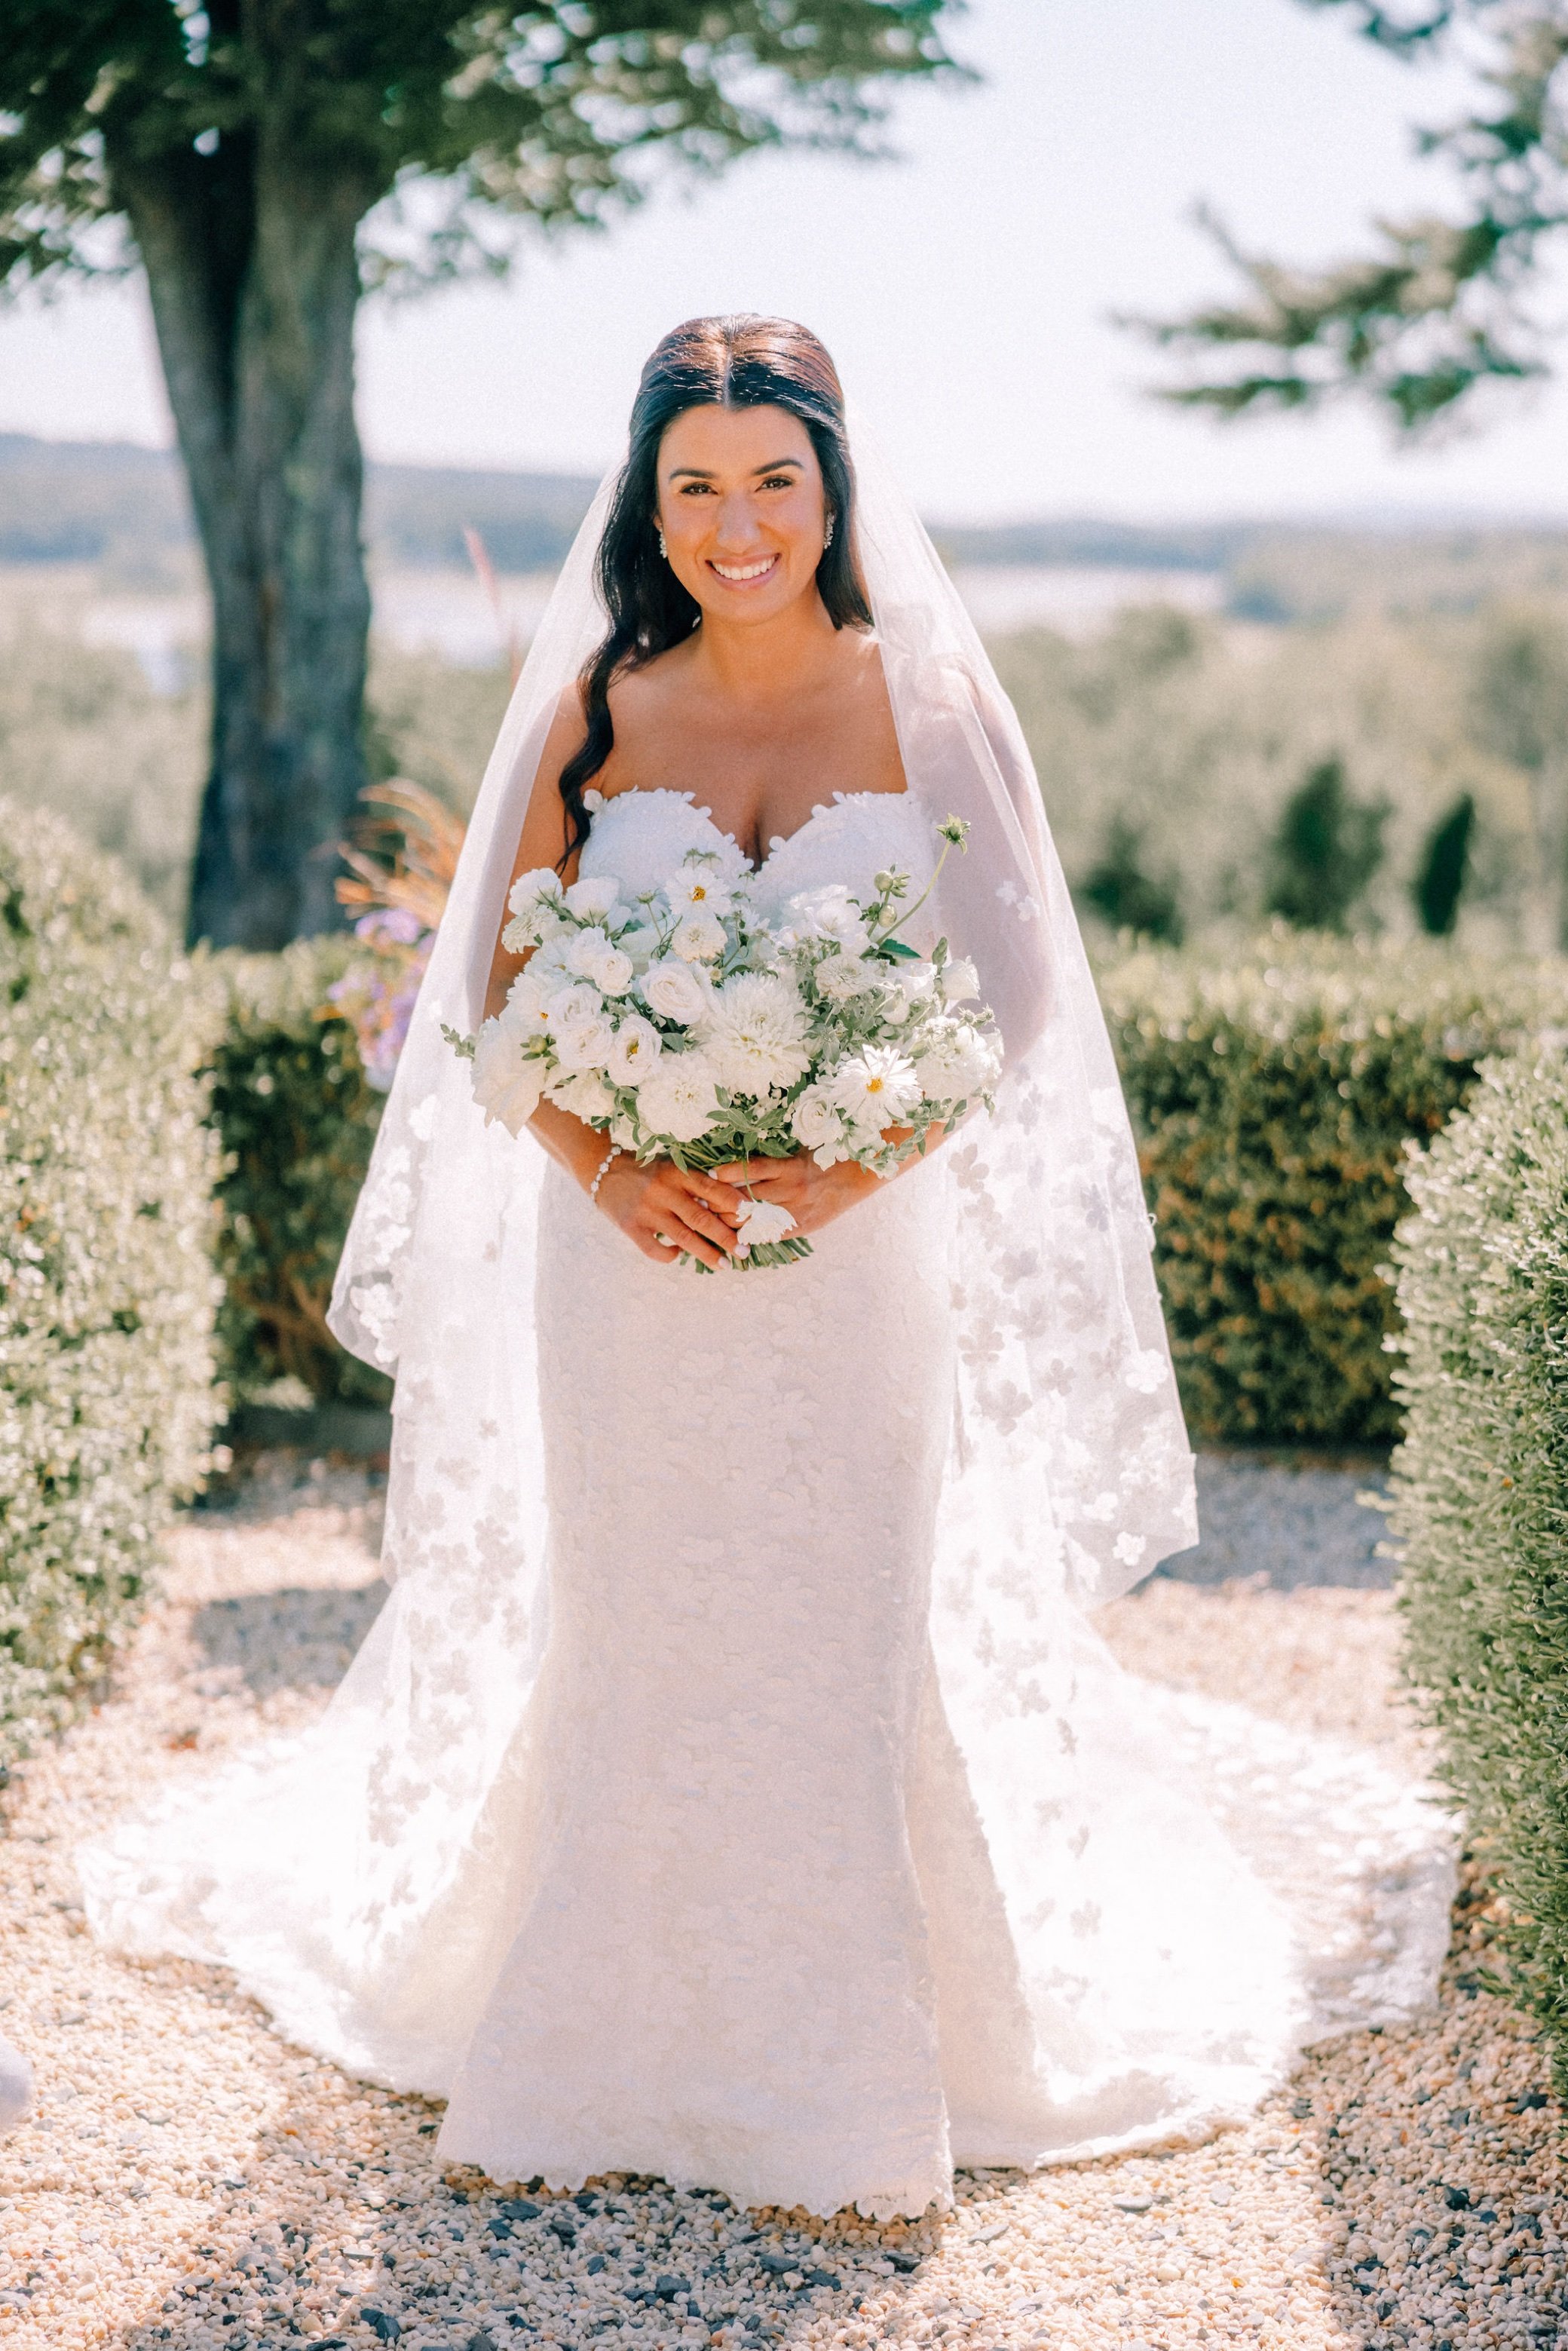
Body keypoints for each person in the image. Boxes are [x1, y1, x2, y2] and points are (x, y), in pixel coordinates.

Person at [79, 317, 1455, 2223]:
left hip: (845, 1274)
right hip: (618, 1272)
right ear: (650, 506)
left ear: (833, 483)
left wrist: (835, 1165)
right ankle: (591, 2039)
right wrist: (608, 1163)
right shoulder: (599, 710)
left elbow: (1013, 998)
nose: (738, 526)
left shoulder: (926, 709)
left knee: (835, 1628)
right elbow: (491, 999)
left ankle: (844, 2068)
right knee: (638, 1621)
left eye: (772, 480)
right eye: (695, 487)